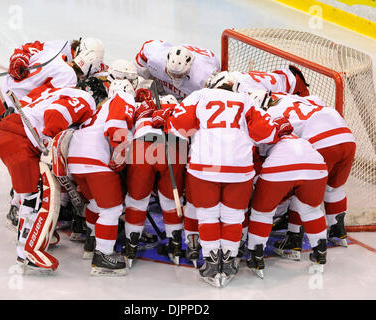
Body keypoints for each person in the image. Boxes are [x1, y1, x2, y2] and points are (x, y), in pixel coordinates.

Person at [156, 71, 293, 287]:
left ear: (213, 84)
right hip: (239, 167)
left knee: (207, 215)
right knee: (233, 216)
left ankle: (210, 262)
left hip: (204, 167)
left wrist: (166, 119)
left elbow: (180, 127)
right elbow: (264, 134)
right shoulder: (246, 99)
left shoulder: (200, 95)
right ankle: (228, 262)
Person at [0, 75, 103, 272]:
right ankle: (26, 251)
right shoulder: (85, 98)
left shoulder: (59, 90)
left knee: (30, 193)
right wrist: (49, 138)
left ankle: (39, 235)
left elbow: (10, 105)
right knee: (36, 198)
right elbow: (56, 114)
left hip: (4, 133)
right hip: (20, 142)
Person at [0, 37, 106, 233]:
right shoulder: (69, 77)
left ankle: (20, 200)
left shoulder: (59, 47)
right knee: (35, 161)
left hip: (8, 104)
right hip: (23, 116)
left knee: (22, 161)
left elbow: (27, 47)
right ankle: (21, 208)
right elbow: (54, 107)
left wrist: (18, 58)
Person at [258, 91, 356, 254]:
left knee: (302, 189)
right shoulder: (298, 98)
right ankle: (338, 232)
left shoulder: (268, 112)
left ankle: (294, 238)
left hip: (321, 141)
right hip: (347, 137)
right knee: (334, 188)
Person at [65, 79, 136, 276]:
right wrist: (120, 151)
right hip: (95, 158)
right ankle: (103, 256)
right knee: (112, 209)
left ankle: (91, 242)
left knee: (96, 202)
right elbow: (116, 123)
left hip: (75, 159)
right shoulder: (123, 97)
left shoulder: (98, 107)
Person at [246, 131, 329, 278]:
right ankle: (320, 252)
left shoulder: (260, 132)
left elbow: (254, 170)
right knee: (311, 211)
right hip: (316, 164)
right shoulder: (297, 136)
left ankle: (256, 256)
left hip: (280, 165)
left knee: (262, 212)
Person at [123, 93, 186, 267]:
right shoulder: (182, 109)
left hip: (143, 144)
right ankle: (176, 246)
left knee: (137, 199)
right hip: (175, 145)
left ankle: (131, 246)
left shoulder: (139, 107)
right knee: (172, 201)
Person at [134, 40, 220, 101]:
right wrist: (149, 79)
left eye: (179, 75)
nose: (175, 78)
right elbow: (141, 62)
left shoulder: (204, 77)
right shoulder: (155, 57)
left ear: (189, 67)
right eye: (171, 74)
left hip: (206, 61)